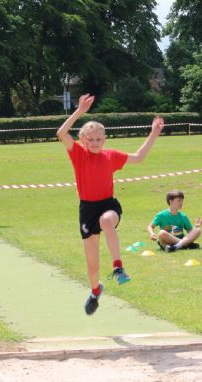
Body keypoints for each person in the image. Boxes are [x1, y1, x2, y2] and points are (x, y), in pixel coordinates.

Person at [57, 93, 164, 315]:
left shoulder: (110, 156)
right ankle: (96, 291)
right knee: (92, 266)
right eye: (91, 140)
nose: (95, 143)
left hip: (108, 205)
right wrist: (79, 112)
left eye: (99, 139)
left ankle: (118, 267)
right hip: (87, 209)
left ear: (104, 140)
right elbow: (61, 133)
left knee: (107, 221)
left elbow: (139, 157)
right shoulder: (78, 154)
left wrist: (154, 133)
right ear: (83, 140)